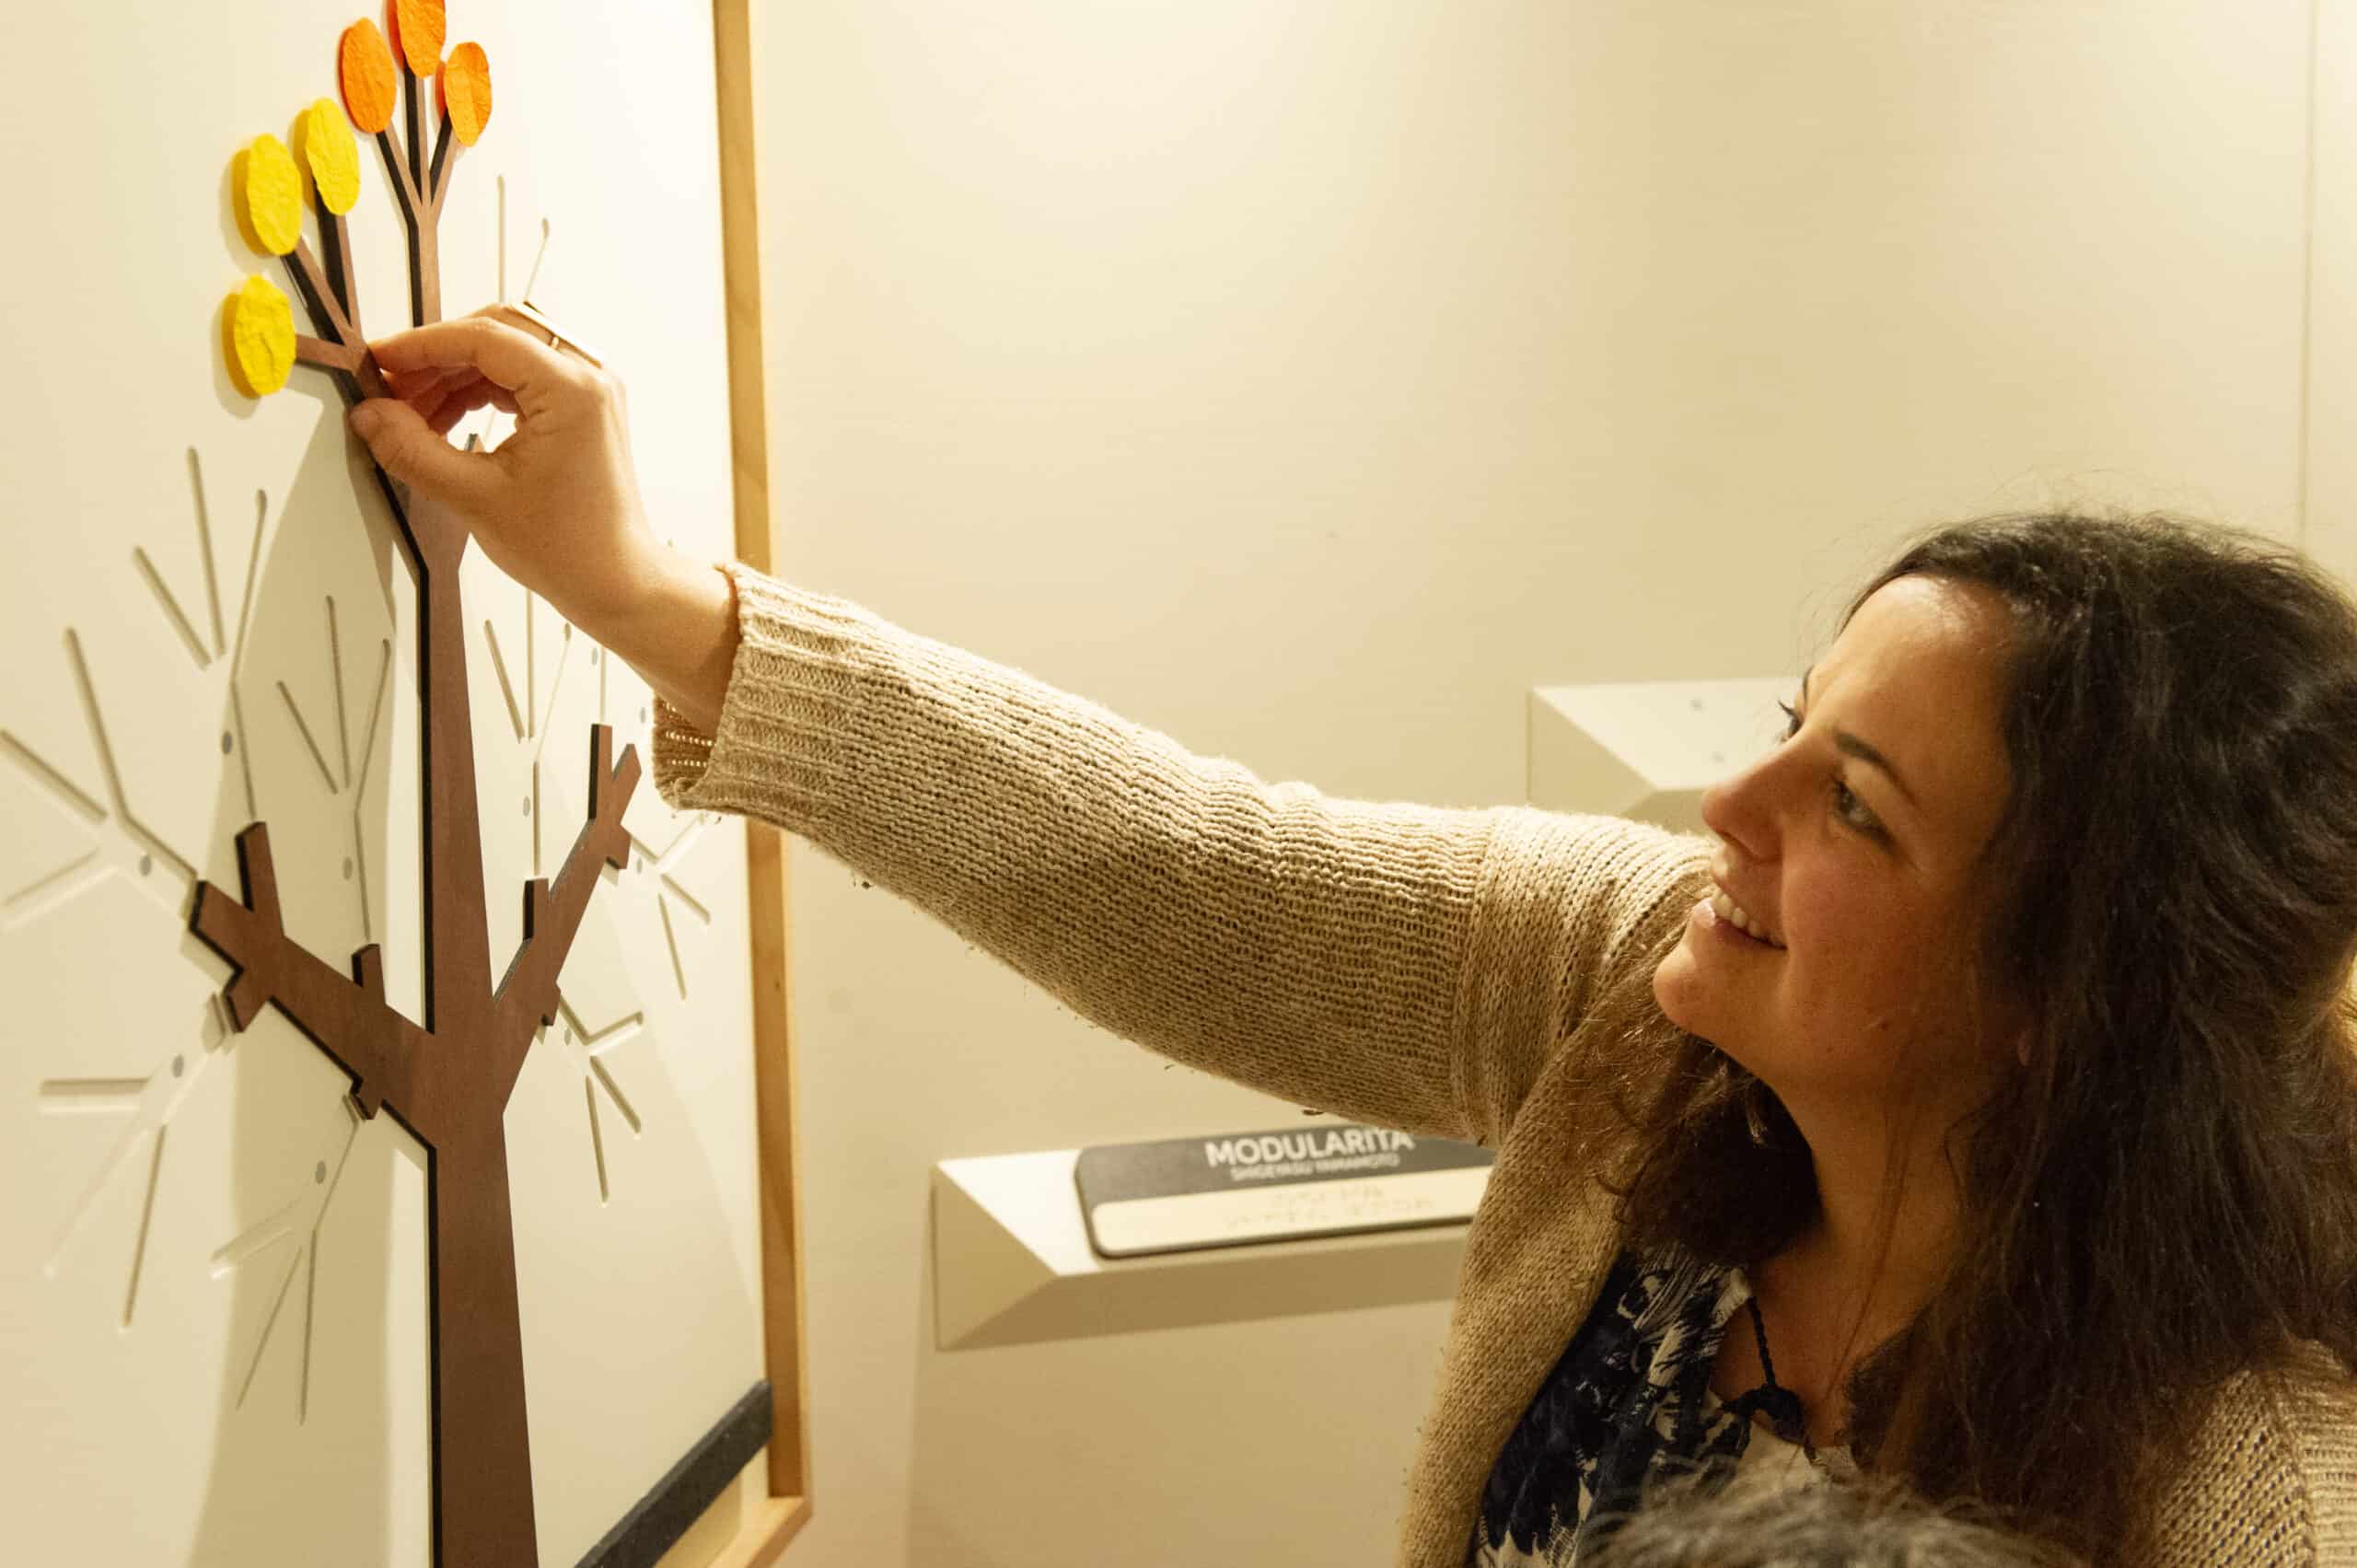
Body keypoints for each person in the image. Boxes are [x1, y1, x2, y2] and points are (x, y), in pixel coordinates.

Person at [344, 308, 2357, 1566]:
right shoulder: (1641, 1003)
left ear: (2063, 1001)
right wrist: (637, 589)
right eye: (1788, 729)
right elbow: (1173, 873)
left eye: (1853, 809)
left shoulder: (2247, 1491)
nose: (1721, 819)